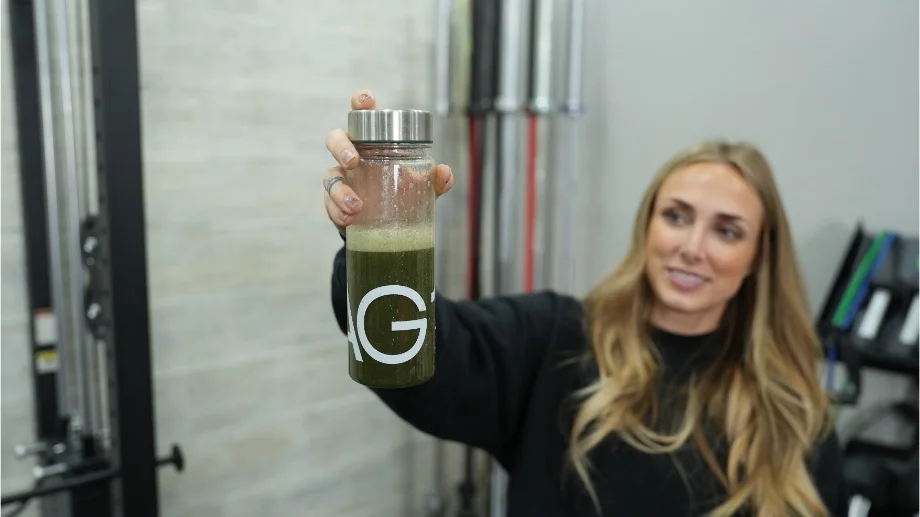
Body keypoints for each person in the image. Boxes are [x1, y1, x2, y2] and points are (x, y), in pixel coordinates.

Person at [323, 90, 849, 516]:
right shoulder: (557, 340)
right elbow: (419, 359)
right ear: (648, 226)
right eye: (678, 217)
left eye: (727, 231)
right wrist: (374, 229)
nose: (692, 248)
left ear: (758, 256)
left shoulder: (795, 412)